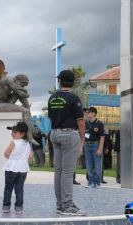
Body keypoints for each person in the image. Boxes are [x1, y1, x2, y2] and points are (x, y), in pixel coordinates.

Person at [48, 70, 86, 216]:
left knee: (59, 171)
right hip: (69, 135)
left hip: (55, 133)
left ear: (59, 81)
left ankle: (60, 204)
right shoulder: (73, 98)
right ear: (73, 82)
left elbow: (52, 117)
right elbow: (80, 121)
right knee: (68, 172)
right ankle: (67, 205)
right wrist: (82, 139)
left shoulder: (52, 98)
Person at [0, 74, 38, 145]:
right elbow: (21, 93)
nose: (22, 87)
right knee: (25, 111)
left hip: (2, 102)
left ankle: (28, 109)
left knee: (25, 108)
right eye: (23, 85)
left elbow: (20, 93)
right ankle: (29, 137)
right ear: (17, 80)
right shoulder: (8, 80)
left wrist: (27, 105)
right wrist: (27, 93)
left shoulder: (13, 83)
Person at [2, 122, 33, 215]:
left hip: (11, 168)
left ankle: (6, 207)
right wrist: (22, 159)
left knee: (8, 188)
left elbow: (6, 153)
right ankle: (19, 208)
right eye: (12, 132)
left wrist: (12, 159)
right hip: (23, 169)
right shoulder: (27, 143)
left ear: (22, 133)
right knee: (19, 189)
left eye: (15, 132)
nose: (12, 134)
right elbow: (31, 156)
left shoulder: (14, 142)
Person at [84, 107, 105, 188]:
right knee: (89, 165)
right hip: (87, 145)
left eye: (89, 112)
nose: (87, 113)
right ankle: (91, 182)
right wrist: (82, 147)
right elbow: (83, 136)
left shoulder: (99, 123)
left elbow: (102, 137)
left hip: (96, 145)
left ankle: (98, 182)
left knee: (97, 165)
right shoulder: (86, 123)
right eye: (87, 112)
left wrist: (100, 149)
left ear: (94, 113)